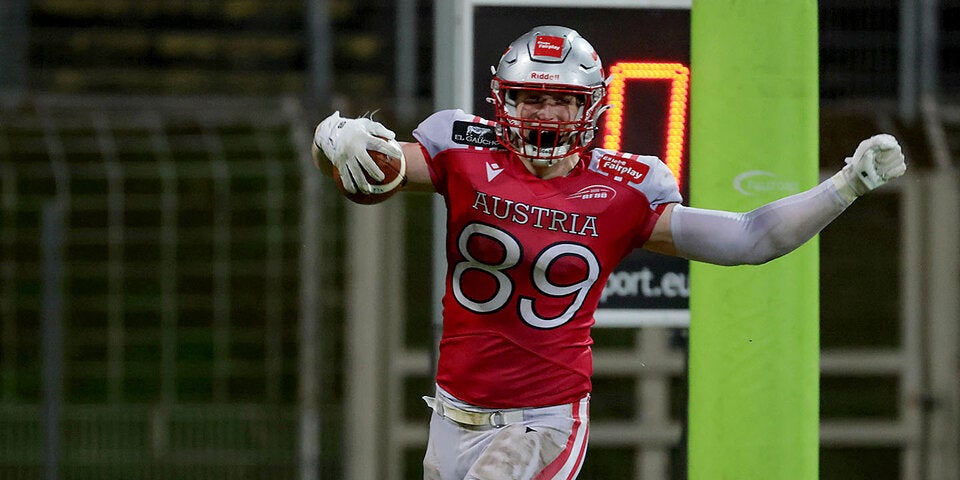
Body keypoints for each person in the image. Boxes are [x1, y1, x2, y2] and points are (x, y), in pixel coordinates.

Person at [311, 25, 906, 480]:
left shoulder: (623, 189)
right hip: (451, 411)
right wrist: (334, 143)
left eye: (562, 101)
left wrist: (846, 184)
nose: (545, 114)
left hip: (543, 420)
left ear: (590, 106)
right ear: (503, 100)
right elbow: (366, 177)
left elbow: (748, 238)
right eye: (529, 98)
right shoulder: (462, 148)